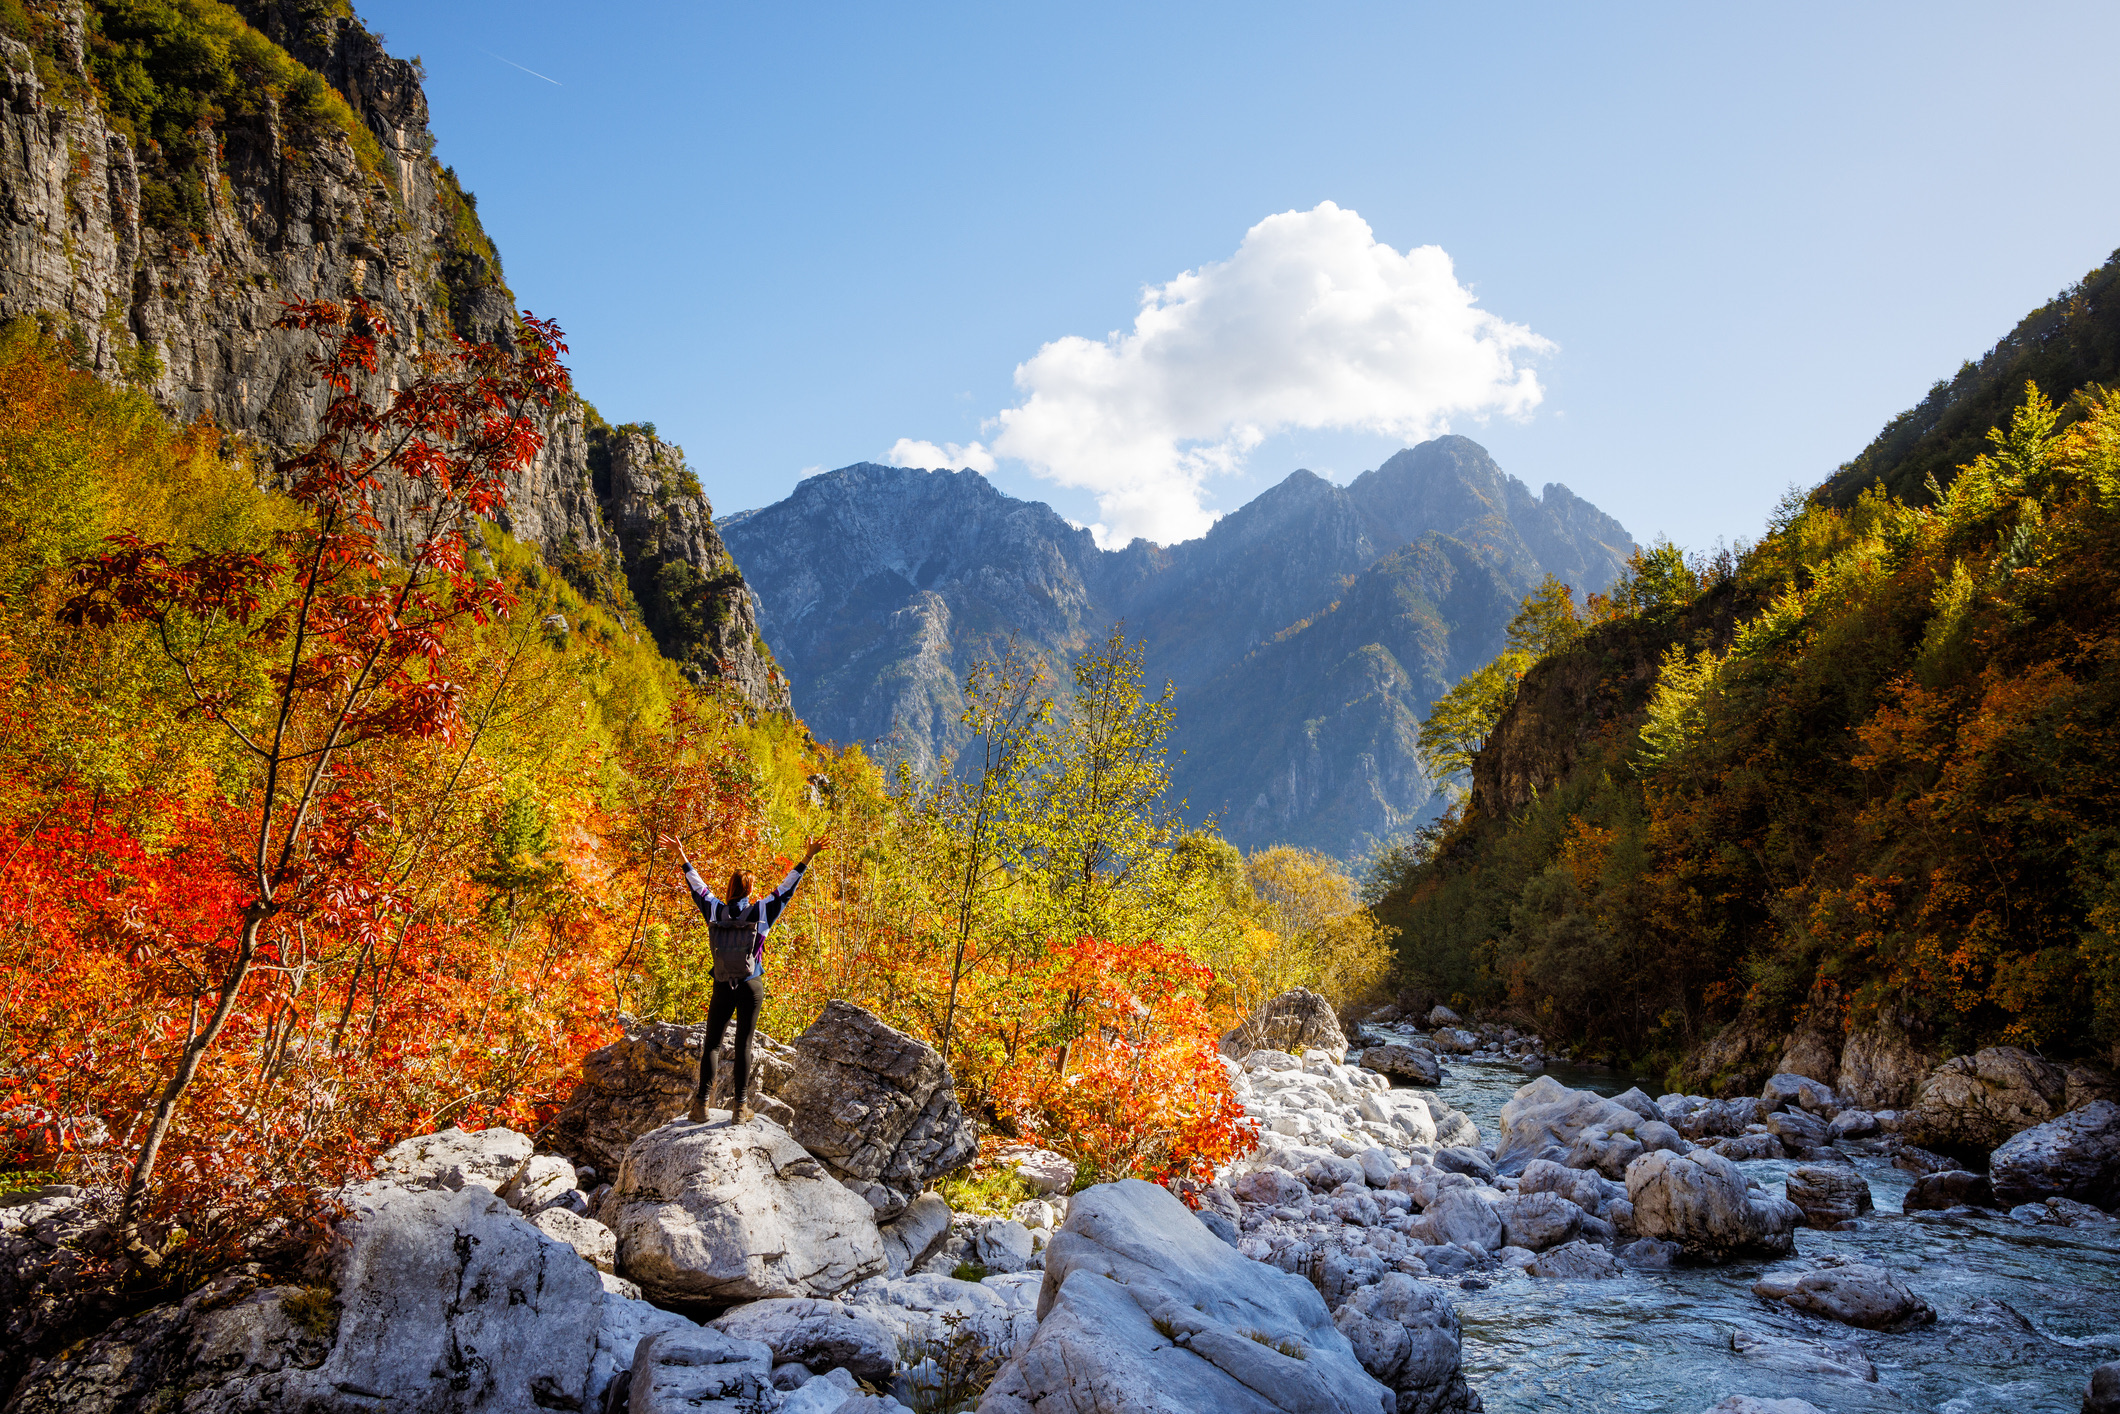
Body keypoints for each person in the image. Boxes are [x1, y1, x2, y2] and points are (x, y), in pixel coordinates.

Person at [669, 834, 828, 1124]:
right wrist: (808, 857)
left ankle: (701, 1106)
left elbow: (698, 888)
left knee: (713, 1045)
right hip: (750, 983)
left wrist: (682, 857)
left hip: (721, 983)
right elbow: (786, 888)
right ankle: (740, 1109)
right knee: (743, 1043)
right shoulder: (761, 910)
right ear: (750, 889)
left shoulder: (715, 909)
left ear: (729, 888)